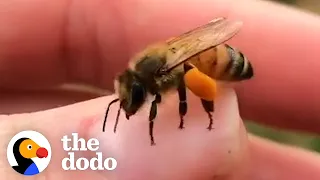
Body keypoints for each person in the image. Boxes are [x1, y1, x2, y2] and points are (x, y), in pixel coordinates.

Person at [1, 0, 320, 179]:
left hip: (215, 57)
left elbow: (186, 82)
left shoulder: (158, 73)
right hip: (199, 51)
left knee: (186, 79)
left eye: (132, 99)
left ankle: (205, 115)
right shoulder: (145, 67)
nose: (131, 105)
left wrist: (183, 119)